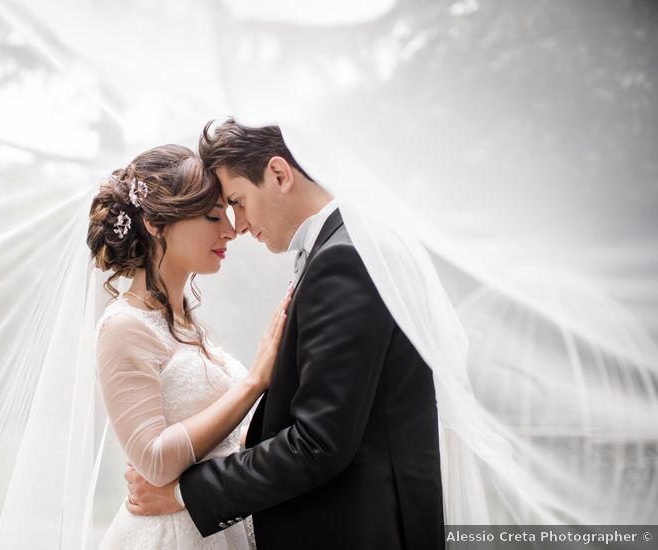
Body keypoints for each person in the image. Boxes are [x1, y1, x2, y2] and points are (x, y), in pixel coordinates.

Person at [125, 120, 446, 550]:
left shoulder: (344, 259)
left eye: (237, 201)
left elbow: (318, 442)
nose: (236, 226)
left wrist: (183, 493)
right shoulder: (346, 247)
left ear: (279, 175)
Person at [88, 143, 292, 550]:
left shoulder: (187, 323)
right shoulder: (124, 326)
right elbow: (155, 461)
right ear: (156, 224)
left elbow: (222, 442)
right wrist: (254, 382)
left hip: (213, 522)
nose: (231, 230)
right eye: (213, 215)